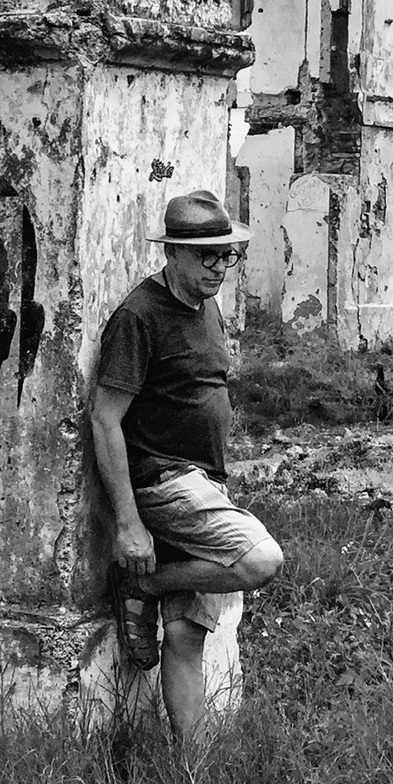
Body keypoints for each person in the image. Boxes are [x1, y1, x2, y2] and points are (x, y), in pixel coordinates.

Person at [89, 189, 285, 746]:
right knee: (259, 559)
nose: (221, 267)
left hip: (204, 482)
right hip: (165, 485)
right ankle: (144, 585)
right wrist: (128, 524)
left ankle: (191, 778)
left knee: (183, 637)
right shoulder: (138, 317)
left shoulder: (206, 305)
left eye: (229, 256)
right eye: (208, 256)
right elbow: (105, 421)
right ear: (173, 252)